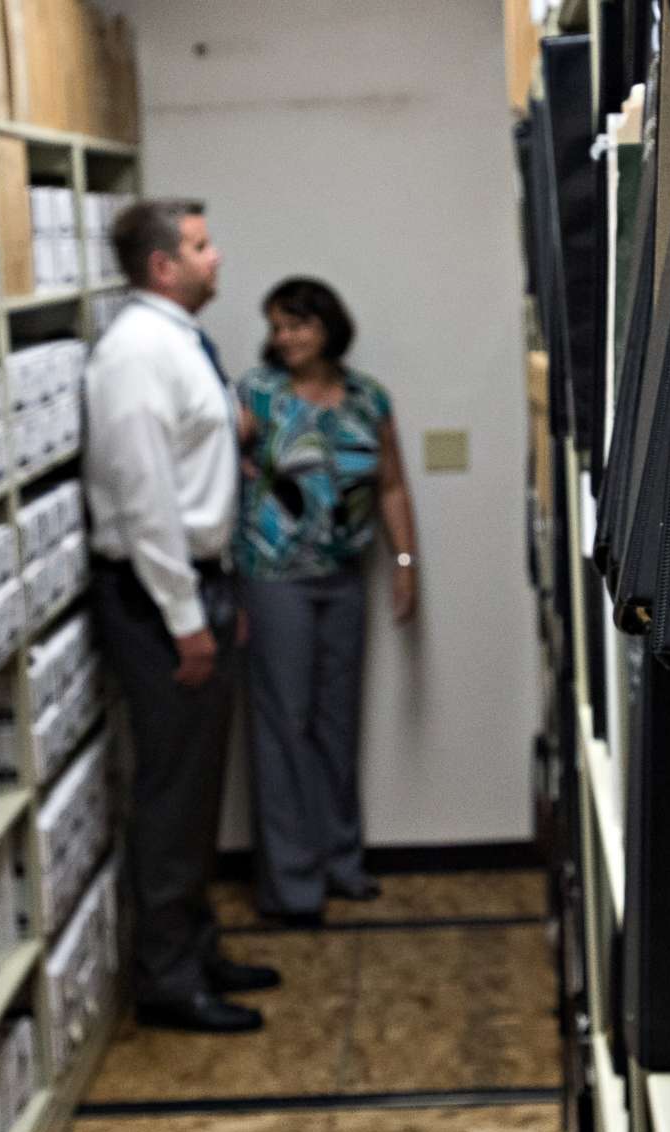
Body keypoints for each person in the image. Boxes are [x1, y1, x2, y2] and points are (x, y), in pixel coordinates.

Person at [82, 198, 280, 1034]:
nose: (217, 256)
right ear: (163, 266)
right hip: (162, 595)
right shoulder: (134, 355)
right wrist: (185, 617)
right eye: (201, 246)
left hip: (204, 581)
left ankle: (196, 948)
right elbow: (144, 498)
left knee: (198, 789)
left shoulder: (178, 344)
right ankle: (167, 979)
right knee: (172, 793)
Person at [232, 277, 421, 924]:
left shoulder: (369, 399)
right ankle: (292, 885)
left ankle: (343, 863)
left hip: (345, 576)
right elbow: (211, 468)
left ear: (327, 327)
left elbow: (392, 485)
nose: (285, 339)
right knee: (285, 725)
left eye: (297, 325)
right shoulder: (258, 394)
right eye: (278, 327)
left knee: (339, 723)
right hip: (274, 576)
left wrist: (404, 563)